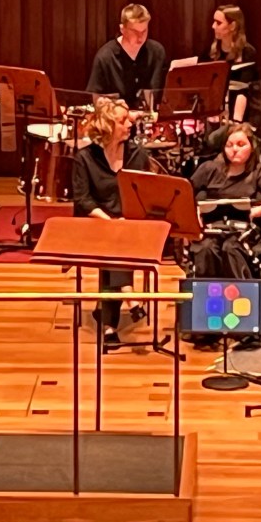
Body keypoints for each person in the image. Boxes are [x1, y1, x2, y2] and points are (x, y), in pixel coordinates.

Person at [71, 97, 150, 348]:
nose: (130, 124)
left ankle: (109, 324)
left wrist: (128, 219)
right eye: (122, 121)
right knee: (113, 242)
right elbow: (83, 199)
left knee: (117, 243)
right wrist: (110, 221)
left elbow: (147, 192)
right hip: (96, 221)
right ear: (107, 126)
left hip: (130, 223)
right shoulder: (84, 158)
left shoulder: (137, 155)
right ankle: (128, 295)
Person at [189, 123, 261, 279]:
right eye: (229, 145)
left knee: (231, 248)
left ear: (252, 148)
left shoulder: (258, 173)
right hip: (212, 230)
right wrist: (194, 213)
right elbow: (183, 196)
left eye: (241, 144)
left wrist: (258, 210)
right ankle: (206, 291)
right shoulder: (209, 169)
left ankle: (241, 290)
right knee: (206, 249)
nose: (234, 149)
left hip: (243, 233)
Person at [86, 3, 167, 108]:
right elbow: (97, 100)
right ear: (122, 29)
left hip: (150, 116)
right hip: (118, 117)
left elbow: (165, 96)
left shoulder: (157, 52)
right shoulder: (105, 57)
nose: (140, 37)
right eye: (135, 32)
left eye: (144, 31)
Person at [198, 5, 258, 123]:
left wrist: (236, 123)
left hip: (239, 115)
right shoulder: (210, 53)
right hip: (213, 116)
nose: (213, 26)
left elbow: (243, 90)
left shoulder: (247, 53)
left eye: (218, 23)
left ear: (232, 26)